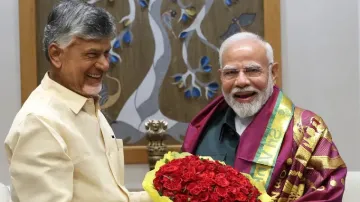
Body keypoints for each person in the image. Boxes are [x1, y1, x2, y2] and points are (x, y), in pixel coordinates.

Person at [5, 1, 151, 201]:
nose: (104, 65)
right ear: (56, 54)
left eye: (106, 53)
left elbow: (109, 196)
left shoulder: (87, 106)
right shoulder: (39, 122)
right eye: (92, 54)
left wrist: (167, 196)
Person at [181, 32, 347, 201]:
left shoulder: (307, 130)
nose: (241, 81)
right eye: (231, 73)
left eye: (252, 70)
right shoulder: (205, 127)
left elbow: (327, 194)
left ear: (273, 73)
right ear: (221, 76)